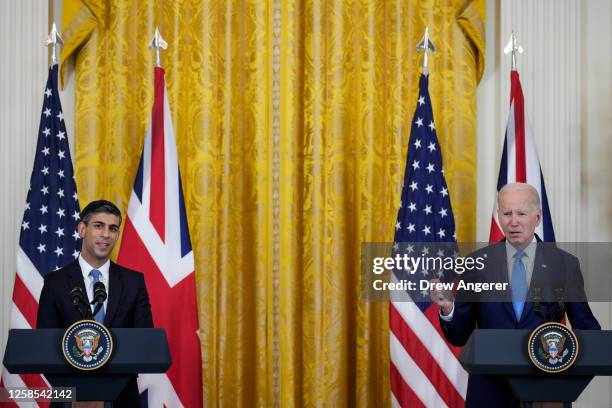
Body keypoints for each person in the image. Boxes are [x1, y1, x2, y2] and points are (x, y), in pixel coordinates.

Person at [430, 182, 600, 407]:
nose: (513, 222)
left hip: (546, 388)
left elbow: (588, 330)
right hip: (490, 391)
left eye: (521, 213)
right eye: (507, 213)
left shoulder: (565, 265)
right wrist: (448, 308)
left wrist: (565, 376)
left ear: (537, 218)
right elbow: (459, 335)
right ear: (498, 216)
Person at [37, 199, 153, 407]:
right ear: (82, 229)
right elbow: (45, 345)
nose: (106, 235)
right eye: (98, 226)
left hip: (122, 397)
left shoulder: (133, 282)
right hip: (70, 398)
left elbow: (144, 342)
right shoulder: (55, 283)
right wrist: (79, 389)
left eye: (113, 228)